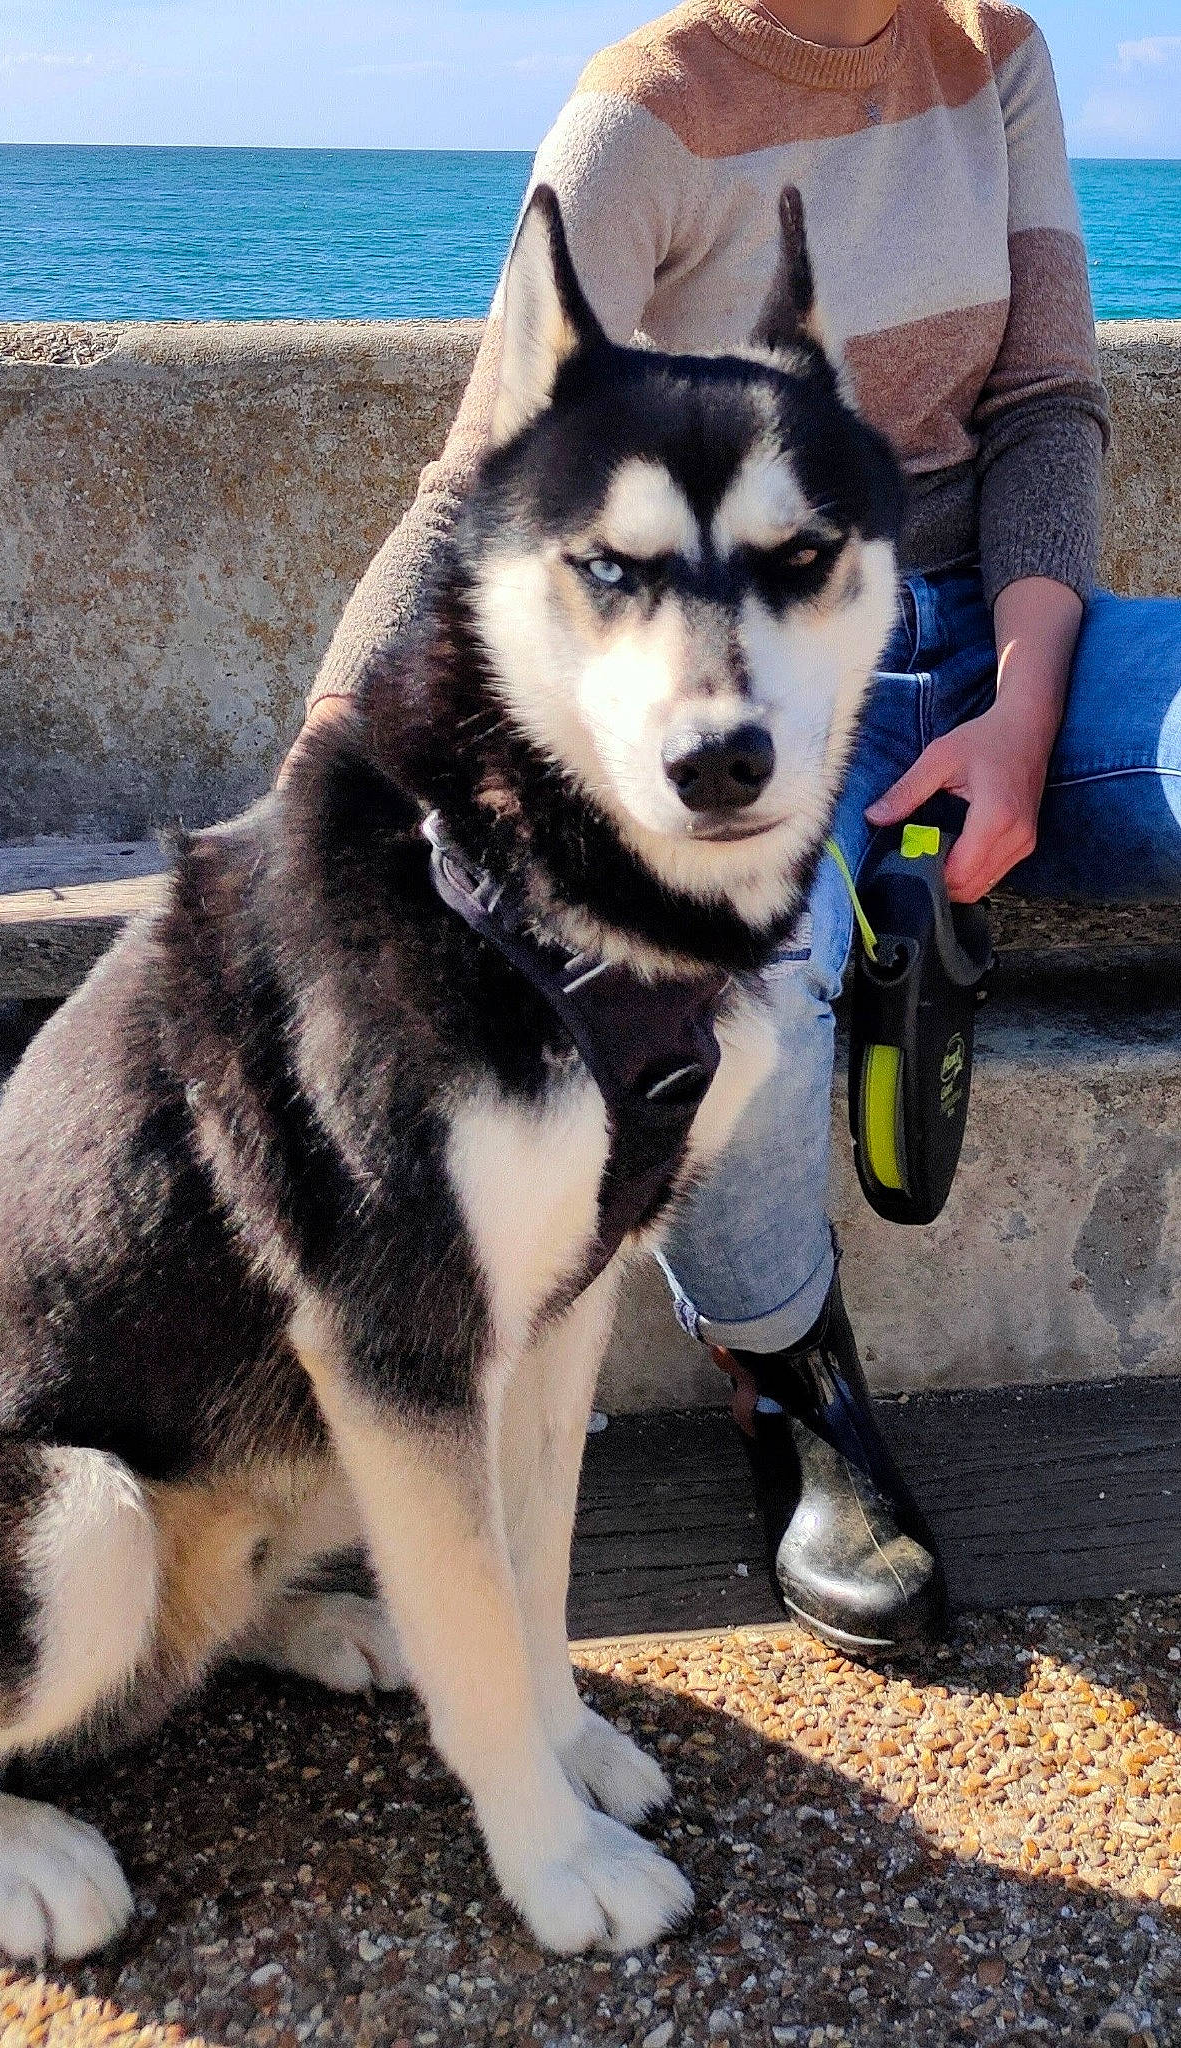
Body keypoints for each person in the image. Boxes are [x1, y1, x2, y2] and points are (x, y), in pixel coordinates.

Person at [296, 0, 1181, 1656]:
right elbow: (486, 471)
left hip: (998, 642)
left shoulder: (991, 50)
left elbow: (1043, 407)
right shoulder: (647, 109)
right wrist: (323, 773)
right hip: (742, 680)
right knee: (731, 991)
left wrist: (1018, 719)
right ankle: (787, 1377)